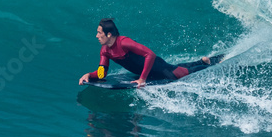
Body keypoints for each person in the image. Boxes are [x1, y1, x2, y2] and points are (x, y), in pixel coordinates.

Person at [78, 18, 219, 88]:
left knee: (182, 74)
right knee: (176, 68)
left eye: (99, 33)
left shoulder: (124, 43)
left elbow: (150, 55)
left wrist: (142, 79)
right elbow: (102, 72)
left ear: (109, 34)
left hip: (157, 67)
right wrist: (90, 75)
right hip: (147, 72)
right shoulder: (105, 50)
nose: (96, 36)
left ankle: (212, 64)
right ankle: (202, 61)